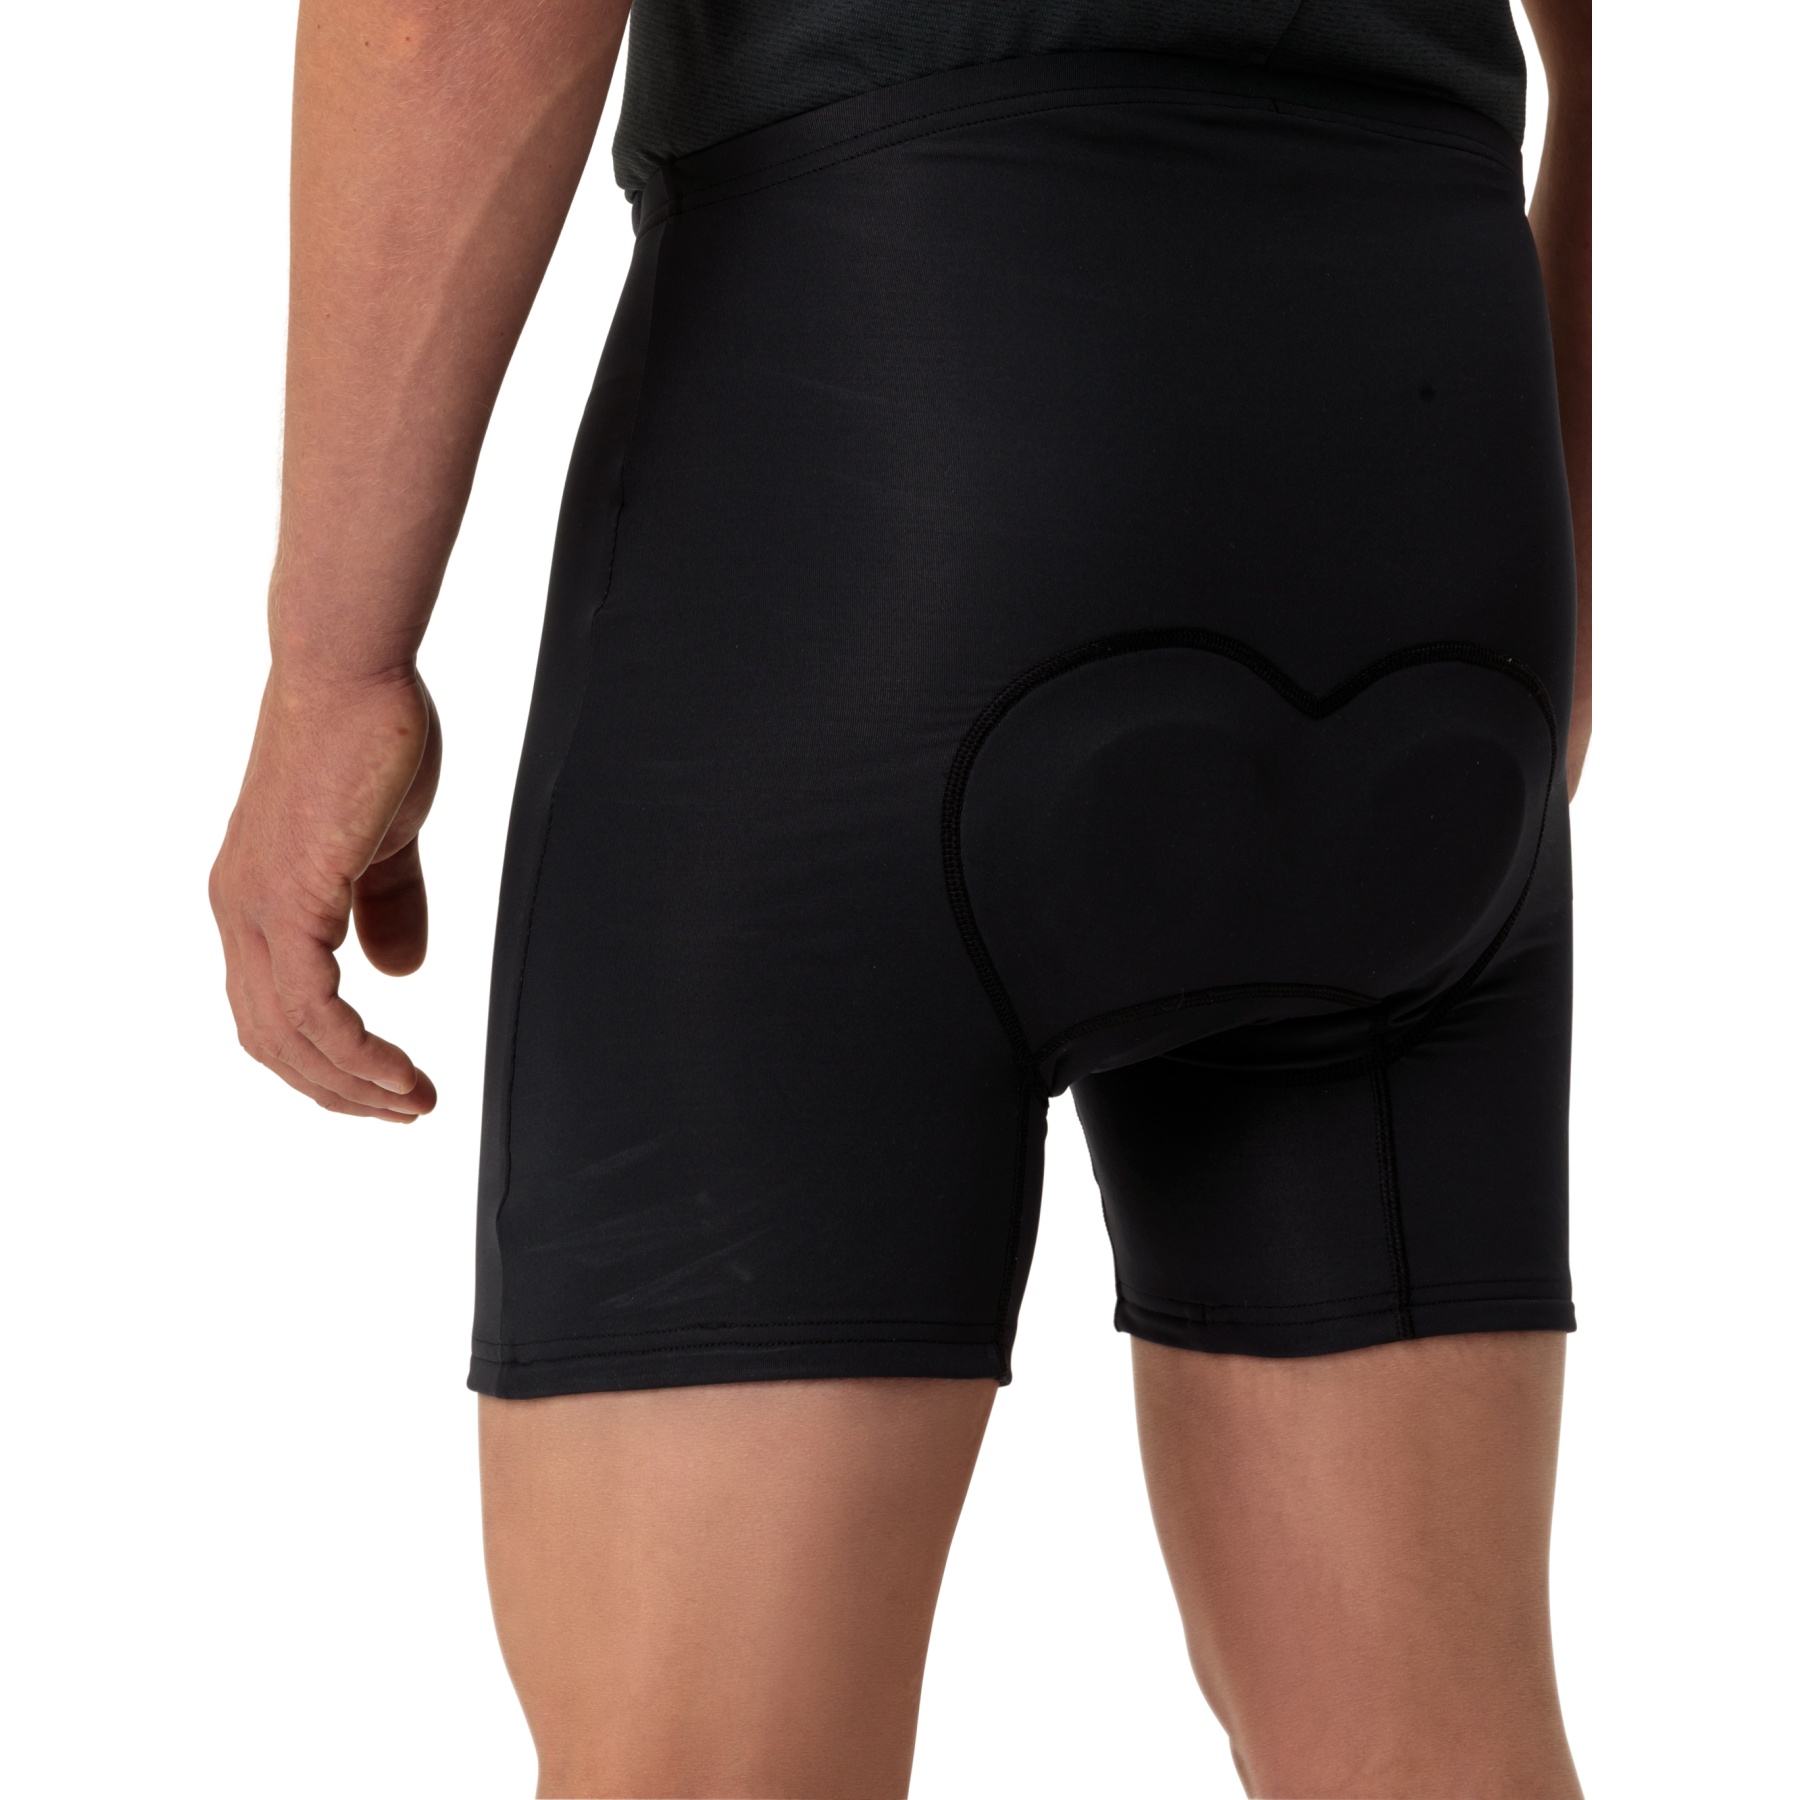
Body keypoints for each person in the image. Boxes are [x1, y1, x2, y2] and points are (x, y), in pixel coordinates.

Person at [211, 0, 1590, 1793]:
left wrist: (335, 663)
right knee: (1435, 1743)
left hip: (888, 445)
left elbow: (447, 27)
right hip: (1435, 495)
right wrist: (1557, 525)